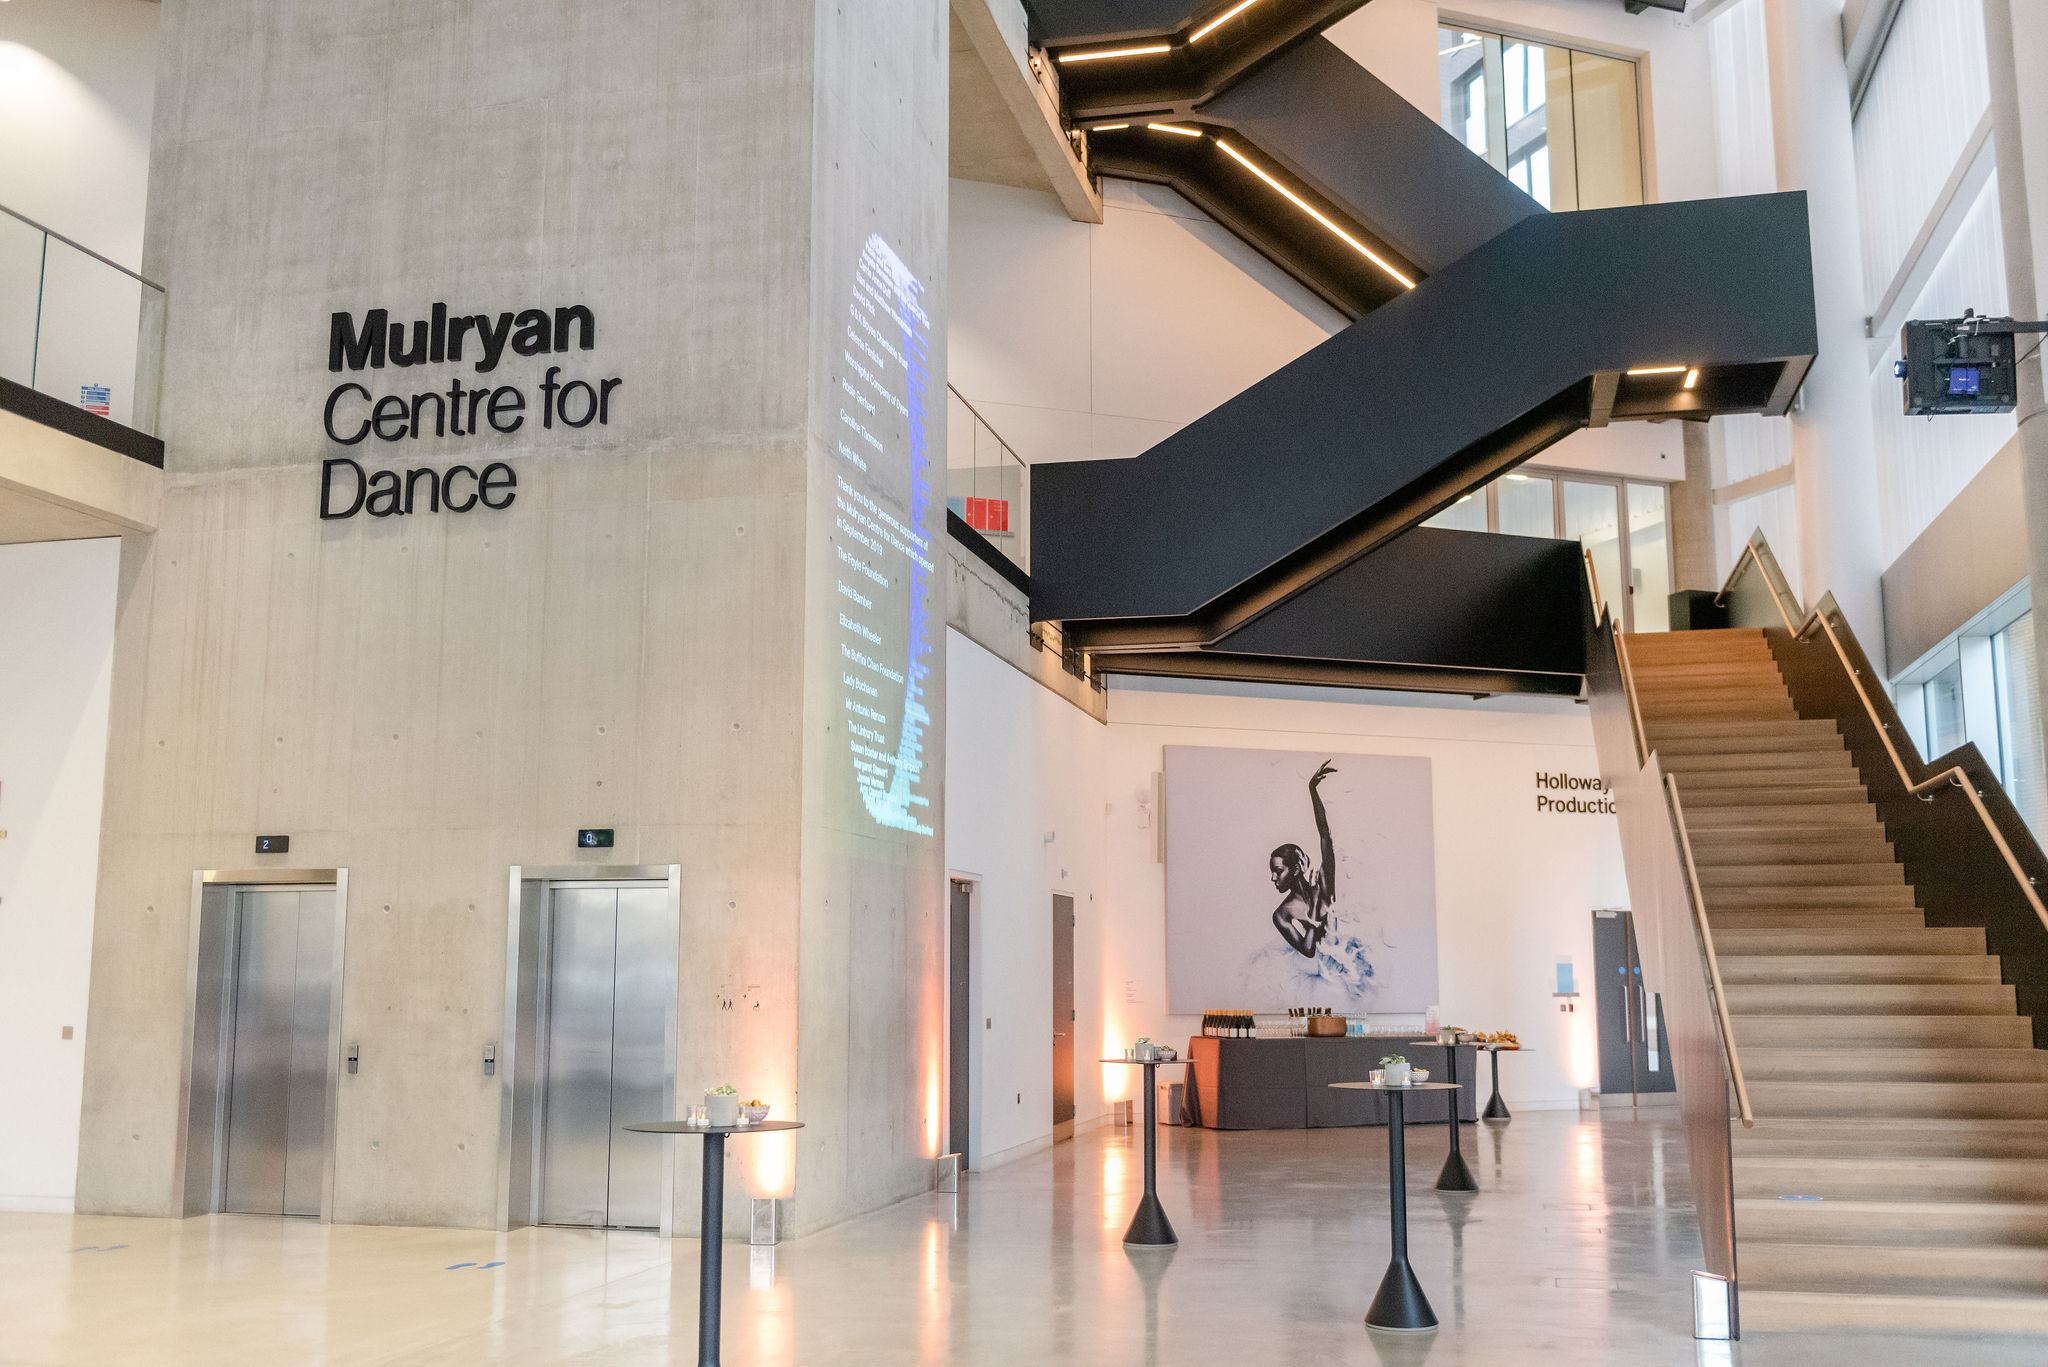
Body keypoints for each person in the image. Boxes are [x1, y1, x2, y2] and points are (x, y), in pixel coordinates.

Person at [1270, 760, 1337, 958]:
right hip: (1324, 972)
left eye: (1278, 871)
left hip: (1348, 967)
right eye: (1272, 872)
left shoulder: (1324, 881)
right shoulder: (1281, 914)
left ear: (1296, 869)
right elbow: (1308, 951)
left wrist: (1312, 790)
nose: (1273, 878)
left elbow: (1325, 834)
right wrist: (1316, 902)